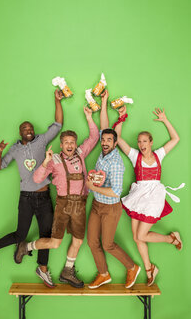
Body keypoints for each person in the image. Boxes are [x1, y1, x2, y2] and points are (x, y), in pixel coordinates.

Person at [0, 90, 64, 288]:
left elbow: (58, 124)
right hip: (26, 198)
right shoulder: (15, 149)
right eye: (24, 128)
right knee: (21, 235)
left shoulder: (41, 141)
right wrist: (0, 151)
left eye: (30, 127)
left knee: (46, 234)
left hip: (44, 196)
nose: (28, 129)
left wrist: (56, 100)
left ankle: (42, 269)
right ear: (20, 133)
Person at [15, 107, 99, 288]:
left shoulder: (81, 154)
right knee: (55, 243)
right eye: (66, 142)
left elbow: (94, 138)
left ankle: (67, 271)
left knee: (78, 240)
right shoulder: (54, 160)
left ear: (76, 144)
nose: (70, 145)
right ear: (61, 145)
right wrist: (45, 162)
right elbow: (37, 178)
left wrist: (89, 117)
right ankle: (26, 247)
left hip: (80, 204)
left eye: (72, 142)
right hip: (63, 205)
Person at [114, 106, 183, 286]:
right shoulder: (135, 156)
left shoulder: (159, 154)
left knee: (142, 236)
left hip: (154, 196)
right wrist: (121, 118)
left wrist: (165, 120)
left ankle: (171, 238)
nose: (141, 144)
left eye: (145, 141)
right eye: (139, 141)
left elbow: (176, 139)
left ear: (151, 142)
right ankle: (149, 268)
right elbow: (118, 138)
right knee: (137, 237)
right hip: (138, 196)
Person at [86, 90, 140, 289]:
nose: (105, 142)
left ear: (116, 143)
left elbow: (116, 192)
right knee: (92, 241)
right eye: (103, 140)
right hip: (97, 205)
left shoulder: (116, 162)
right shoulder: (104, 149)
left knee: (107, 244)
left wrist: (91, 186)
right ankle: (103, 274)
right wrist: (104, 100)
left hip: (110, 208)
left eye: (109, 140)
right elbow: (104, 125)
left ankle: (132, 267)